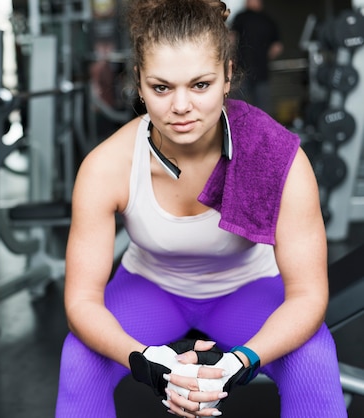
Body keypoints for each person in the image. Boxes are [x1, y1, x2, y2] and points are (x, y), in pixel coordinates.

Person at [54, 0, 347, 417]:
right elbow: (81, 301)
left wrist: (240, 362)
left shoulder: (279, 158)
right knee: (80, 358)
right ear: (138, 83)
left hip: (247, 287)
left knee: (313, 356)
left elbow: (308, 295)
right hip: (152, 288)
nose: (180, 106)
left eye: (200, 85)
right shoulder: (107, 167)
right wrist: (147, 363)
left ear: (228, 76)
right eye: (161, 87)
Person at [230, 0, 283, 114]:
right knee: (238, 108)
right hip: (244, 71)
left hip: (251, 71)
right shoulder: (244, 17)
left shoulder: (265, 20)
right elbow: (277, 47)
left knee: (241, 109)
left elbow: (232, 39)